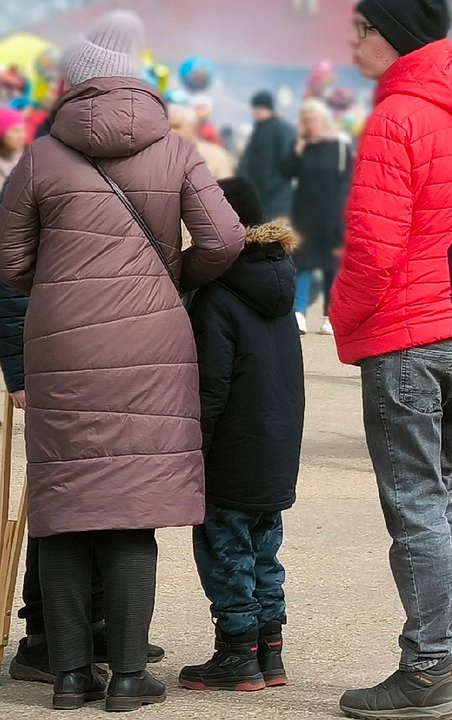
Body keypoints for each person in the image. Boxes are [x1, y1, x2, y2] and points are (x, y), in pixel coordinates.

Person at [0, 10, 244, 712]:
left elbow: (9, 258)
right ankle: (131, 677)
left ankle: (72, 678)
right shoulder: (173, 149)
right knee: (131, 509)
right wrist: (175, 276)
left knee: (68, 504)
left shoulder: (43, 155)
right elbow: (225, 237)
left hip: (62, 344)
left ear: (74, 87)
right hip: (152, 342)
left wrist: (58, 289)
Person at [330, 2, 452, 718]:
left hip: (403, 330)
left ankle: (426, 667)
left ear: (392, 34)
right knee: (440, 496)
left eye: (362, 27)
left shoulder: (397, 115)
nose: (353, 38)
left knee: (415, 505)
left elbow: (372, 246)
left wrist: (339, 316)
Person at [179, 178, 304, 693]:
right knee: (264, 550)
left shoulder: (219, 297)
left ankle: (237, 653)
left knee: (224, 549)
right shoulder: (278, 286)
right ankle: (269, 650)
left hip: (230, 451)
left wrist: (192, 452)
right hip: (274, 447)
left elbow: (211, 388)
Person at [281, 99, 352, 336]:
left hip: (332, 215)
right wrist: (298, 146)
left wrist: (342, 213)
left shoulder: (340, 147)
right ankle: (298, 312)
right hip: (304, 215)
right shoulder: (303, 146)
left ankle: (329, 316)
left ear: (321, 120)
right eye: (304, 120)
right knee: (303, 264)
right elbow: (286, 171)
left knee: (331, 266)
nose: (306, 124)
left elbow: (347, 182)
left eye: (310, 119)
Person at [237, 90, 295, 221]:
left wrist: (273, 183)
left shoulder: (282, 129)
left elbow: (288, 161)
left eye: (258, 108)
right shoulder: (259, 129)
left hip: (277, 197)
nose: (255, 112)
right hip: (259, 194)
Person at [170, 104, 234, 180]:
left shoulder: (216, 156)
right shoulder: (158, 155)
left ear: (192, 127)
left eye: (176, 126)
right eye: (167, 127)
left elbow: (227, 187)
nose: (171, 131)